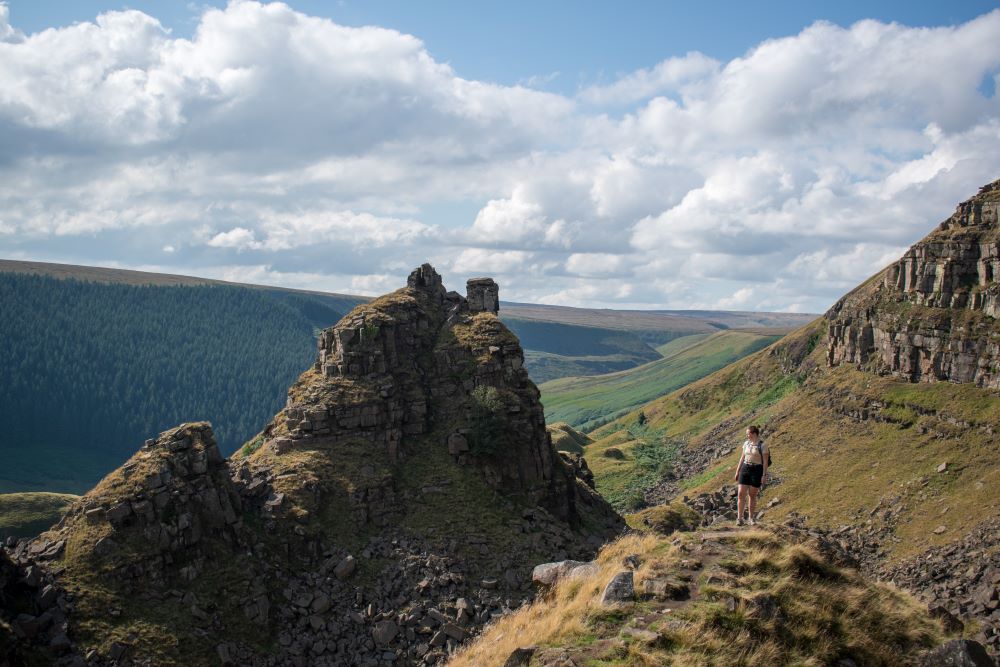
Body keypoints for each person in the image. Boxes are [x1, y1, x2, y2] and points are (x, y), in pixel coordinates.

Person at [733, 425, 768, 526]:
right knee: (740, 494)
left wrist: (764, 475)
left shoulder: (763, 445)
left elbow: (765, 462)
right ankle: (740, 518)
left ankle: (751, 518)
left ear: (754, 434)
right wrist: (737, 471)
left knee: (752, 495)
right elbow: (742, 457)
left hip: (757, 470)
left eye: (748, 434)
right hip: (745, 468)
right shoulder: (746, 444)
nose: (747, 436)